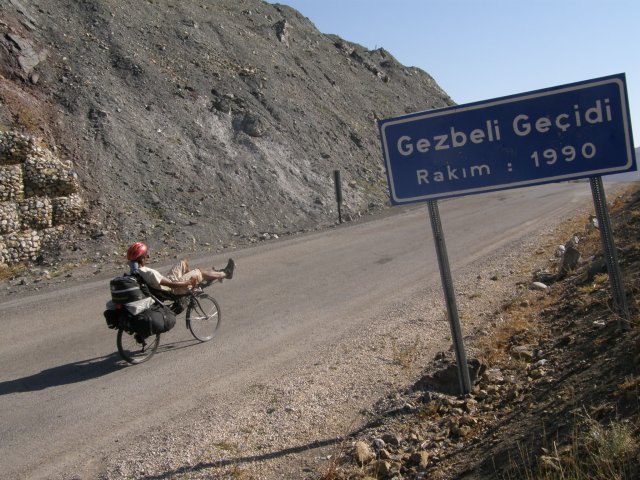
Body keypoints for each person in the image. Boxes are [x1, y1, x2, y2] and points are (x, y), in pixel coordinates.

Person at [126, 242, 235, 295]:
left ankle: (196, 284)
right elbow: (171, 285)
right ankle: (225, 274)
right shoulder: (148, 272)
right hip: (173, 288)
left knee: (183, 263)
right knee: (200, 271)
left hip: (166, 283)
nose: (147, 257)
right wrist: (187, 282)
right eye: (145, 255)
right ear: (142, 258)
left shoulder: (136, 272)